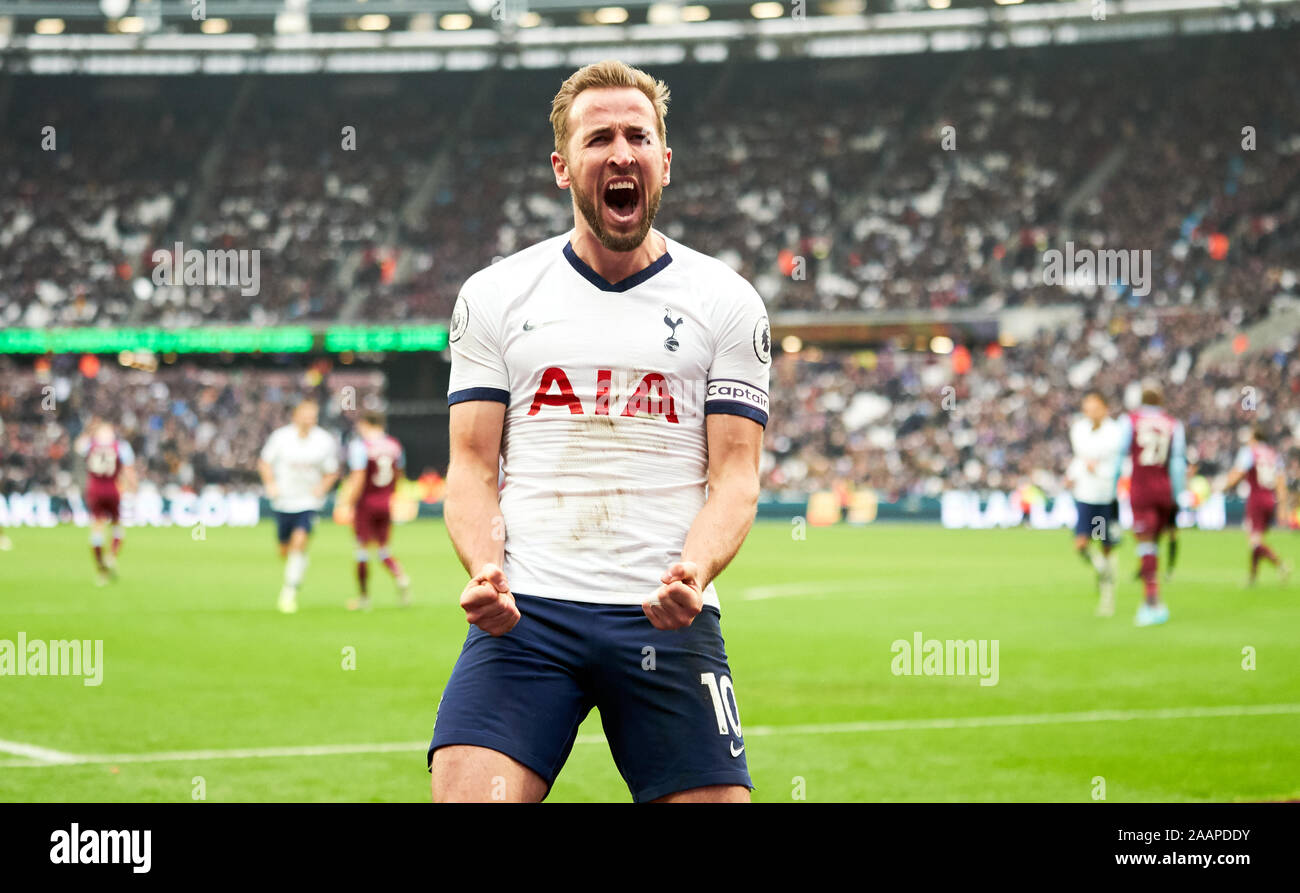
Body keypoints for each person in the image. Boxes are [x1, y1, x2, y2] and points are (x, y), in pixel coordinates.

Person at [428, 60, 771, 803]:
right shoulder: (493, 296)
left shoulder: (729, 302)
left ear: (665, 163)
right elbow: (472, 466)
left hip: (666, 614)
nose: (622, 152)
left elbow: (737, 475)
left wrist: (696, 570)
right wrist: (483, 566)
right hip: (527, 617)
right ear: (562, 166)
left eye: (638, 137)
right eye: (600, 138)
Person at [257, 400, 340, 614]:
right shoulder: (280, 437)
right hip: (284, 501)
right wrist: (271, 484)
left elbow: (332, 471)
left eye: (312, 416)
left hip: (308, 503)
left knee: (300, 541)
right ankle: (298, 564)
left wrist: (322, 487)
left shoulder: (324, 440)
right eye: (305, 415)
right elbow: (264, 462)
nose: (309, 419)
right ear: (295, 416)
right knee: (284, 550)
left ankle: (289, 592)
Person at [1114, 387, 1185, 627]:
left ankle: (1152, 602)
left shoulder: (1129, 421)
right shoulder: (1174, 424)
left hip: (1141, 489)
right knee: (1153, 544)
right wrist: (1177, 496)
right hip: (1164, 490)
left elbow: (1119, 454)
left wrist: (1114, 484)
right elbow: (1177, 463)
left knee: (1145, 546)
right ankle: (1152, 595)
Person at [342, 411, 410, 611]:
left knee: (361, 551)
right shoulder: (395, 446)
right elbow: (399, 474)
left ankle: (363, 598)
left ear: (365, 423)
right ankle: (401, 578)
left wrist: (347, 502)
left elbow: (358, 478)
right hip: (385, 502)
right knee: (383, 549)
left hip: (366, 504)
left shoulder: (361, 446)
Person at [1065, 392, 1121, 616]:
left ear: (1105, 408)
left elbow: (1104, 454)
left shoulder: (1114, 431)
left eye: (1095, 407)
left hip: (1106, 496)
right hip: (1085, 495)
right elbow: (1082, 455)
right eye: (1087, 408)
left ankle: (1108, 598)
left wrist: (1092, 462)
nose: (1091, 412)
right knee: (1081, 543)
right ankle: (1101, 569)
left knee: (1105, 544)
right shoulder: (1079, 429)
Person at [1222, 426, 1292, 585]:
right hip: (1269, 499)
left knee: (1254, 541)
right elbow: (1281, 481)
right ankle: (1253, 577)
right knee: (1256, 539)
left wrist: (1223, 486)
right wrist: (1281, 505)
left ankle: (1280, 564)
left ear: (1254, 438)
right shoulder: (1273, 454)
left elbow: (1238, 473)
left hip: (1256, 498)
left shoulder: (1250, 452)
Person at [75, 421, 136, 586]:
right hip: (113, 489)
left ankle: (101, 569)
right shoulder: (121, 446)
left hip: (94, 489)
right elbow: (128, 469)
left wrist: (88, 431)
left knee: (97, 527)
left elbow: (77, 447)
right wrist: (132, 486)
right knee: (117, 523)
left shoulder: (90, 444)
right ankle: (112, 556)